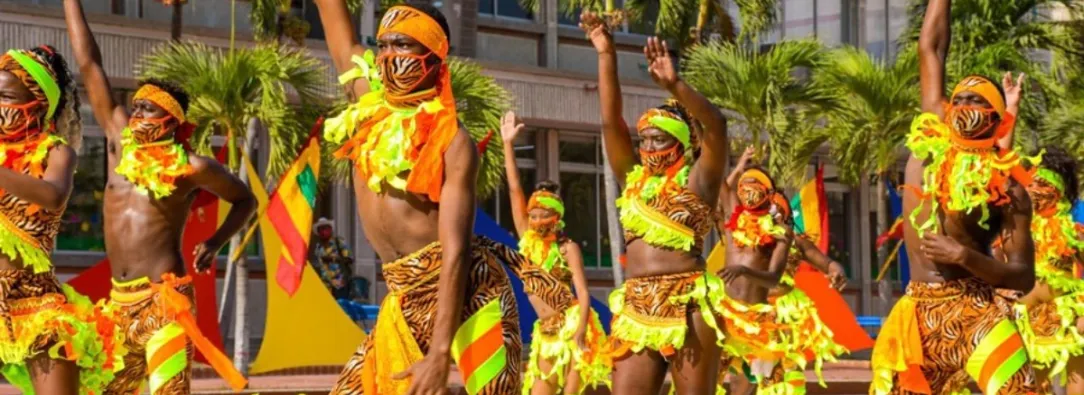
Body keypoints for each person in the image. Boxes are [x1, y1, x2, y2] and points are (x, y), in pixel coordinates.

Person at [314, 1, 522, 393]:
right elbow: (338, 33)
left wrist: (441, 351)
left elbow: (455, 251)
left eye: (404, 46)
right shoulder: (367, 104)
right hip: (404, 296)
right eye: (384, 44)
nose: (389, 56)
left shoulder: (453, 142)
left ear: (432, 56)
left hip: (470, 291)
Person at [63, 0, 257, 393]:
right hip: (116, 306)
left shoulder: (193, 167)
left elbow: (246, 200)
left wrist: (217, 241)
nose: (135, 115)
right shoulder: (119, 142)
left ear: (172, 121)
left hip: (164, 303)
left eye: (147, 110)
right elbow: (89, 66)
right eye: (135, 107)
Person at [869, 0, 1040, 393]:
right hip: (916, 319)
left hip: (977, 313)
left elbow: (1024, 276)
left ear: (997, 119)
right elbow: (931, 48)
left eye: (977, 100)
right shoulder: (933, 139)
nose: (963, 105)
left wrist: (965, 256)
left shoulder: (1010, 189)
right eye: (959, 98)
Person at [584, 12, 730, 395]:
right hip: (636, 303)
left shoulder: (700, 182)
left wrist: (675, 84)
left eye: (659, 139)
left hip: (688, 300)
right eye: (644, 139)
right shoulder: (633, 181)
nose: (648, 147)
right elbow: (609, 122)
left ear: (681, 145)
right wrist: (606, 54)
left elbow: (716, 126)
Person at [0, 44, 123, 395]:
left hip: (33, 300)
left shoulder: (56, 151)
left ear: (38, 104)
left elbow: (52, 194)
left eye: (4, 96)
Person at [501, 111, 610, 395]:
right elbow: (514, 190)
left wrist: (580, 333)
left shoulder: (567, 248)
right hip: (545, 331)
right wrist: (508, 145)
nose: (536, 221)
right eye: (533, 215)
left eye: (543, 215)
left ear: (557, 218)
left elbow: (584, 293)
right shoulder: (527, 240)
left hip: (572, 324)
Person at [712, 150, 796, 394]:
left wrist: (744, 271)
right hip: (723, 316)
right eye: (744, 185)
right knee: (707, 381)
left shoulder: (781, 233)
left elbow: (773, 279)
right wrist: (738, 167)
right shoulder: (732, 219)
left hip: (756, 323)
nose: (749, 190)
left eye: (755, 185)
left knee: (745, 387)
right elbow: (721, 185)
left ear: (768, 192)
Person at [1004, 147, 1084, 393]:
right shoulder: (1019, 227)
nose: (1034, 190)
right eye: (1031, 183)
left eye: (1042, 184)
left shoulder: (1074, 228)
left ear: (1058, 192)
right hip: (1027, 315)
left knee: (1077, 374)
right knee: (1032, 382)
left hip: (1068, 313)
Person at [313, 217, 354, 301]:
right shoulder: (318, 247)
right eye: (320, 229)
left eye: (325, 228)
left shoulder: (339, 242)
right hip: (325, 285)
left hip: (339, 284)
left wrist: (333, 259)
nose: (323, 231)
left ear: (330, 229)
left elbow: (349, 259)